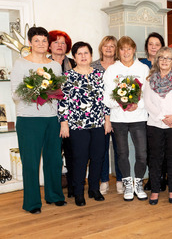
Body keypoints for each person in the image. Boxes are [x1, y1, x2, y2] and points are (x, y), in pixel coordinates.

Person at [11, 27, 66, 214]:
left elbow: (59, 93)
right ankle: (32, 203)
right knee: (31, 162)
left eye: (44, 40)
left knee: (54, 160)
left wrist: (50, 93)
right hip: (29, 119)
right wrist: (35, 92)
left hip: (52, 118)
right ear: (30, 43)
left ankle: (55, 196)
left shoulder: (55, 66)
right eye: (37, 40)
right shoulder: (20, 64)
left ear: (48, 44)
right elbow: (15, 93)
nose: (41, 44)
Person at [58, 41, 111, 206]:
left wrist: (107, 121)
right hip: (77, 126)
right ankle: (79, 192)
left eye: (86, 53)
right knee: (80, 159)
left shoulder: (99, 75)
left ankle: (94, 189)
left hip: (98, 123)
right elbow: (63, 102)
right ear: (74, 57)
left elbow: (105, 100)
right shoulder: (67, 76)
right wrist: (64, 123)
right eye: (79, 54)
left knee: (98, 157)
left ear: (91, 55)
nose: (83, 56)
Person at [103, 36, 149, 201]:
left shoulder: (143, 69)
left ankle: (138, 182)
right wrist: (121, 103)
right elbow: (106, 98)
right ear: (118, 51)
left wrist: (139, 104)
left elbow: (148, 94)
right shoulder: (111, 70)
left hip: (139, 117)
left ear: (134, 50)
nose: (126, 52)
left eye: (129, 48)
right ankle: (127, 183)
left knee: (142, 153)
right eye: (122, 49)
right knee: (122, 153)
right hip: (119, 118)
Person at [143, 47, 172, 205]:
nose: (164, 61)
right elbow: (147, 102)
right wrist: (163, 118)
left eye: (168, 58)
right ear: (157, 60)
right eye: (161, 57)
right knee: (155, 159)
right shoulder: (149, 79)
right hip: (155, 123)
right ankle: (155, 190)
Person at [91, 36, 124, 195]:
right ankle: (103, 180)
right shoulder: (93, 66)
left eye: (112, 46)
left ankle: (119, 180)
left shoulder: (121, 66)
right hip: (98, 115)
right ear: (101, 48)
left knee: (120, 149)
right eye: (106, 45)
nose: (109, 48)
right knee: (101, 149)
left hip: (118, 114)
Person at [48, 30, 76, 198]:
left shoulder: (73, 63)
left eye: (63, 42)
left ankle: (73, 186)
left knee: (73, 153)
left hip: (72, 117)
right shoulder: (42, 64)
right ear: (49, 45)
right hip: (50, 115)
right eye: (56, 42)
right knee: (54, 154)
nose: (60, 45)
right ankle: (54, 189)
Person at [140, 32, 167, 191]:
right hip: (146, 113)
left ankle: (163, 178)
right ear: (147, 47)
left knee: (163, 147)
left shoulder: (167, 63)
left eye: (157, 44)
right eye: (151, 44)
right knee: (150, 149)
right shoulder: (141, 64)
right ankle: (153, 178)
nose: (154, 47)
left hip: (163, 112)